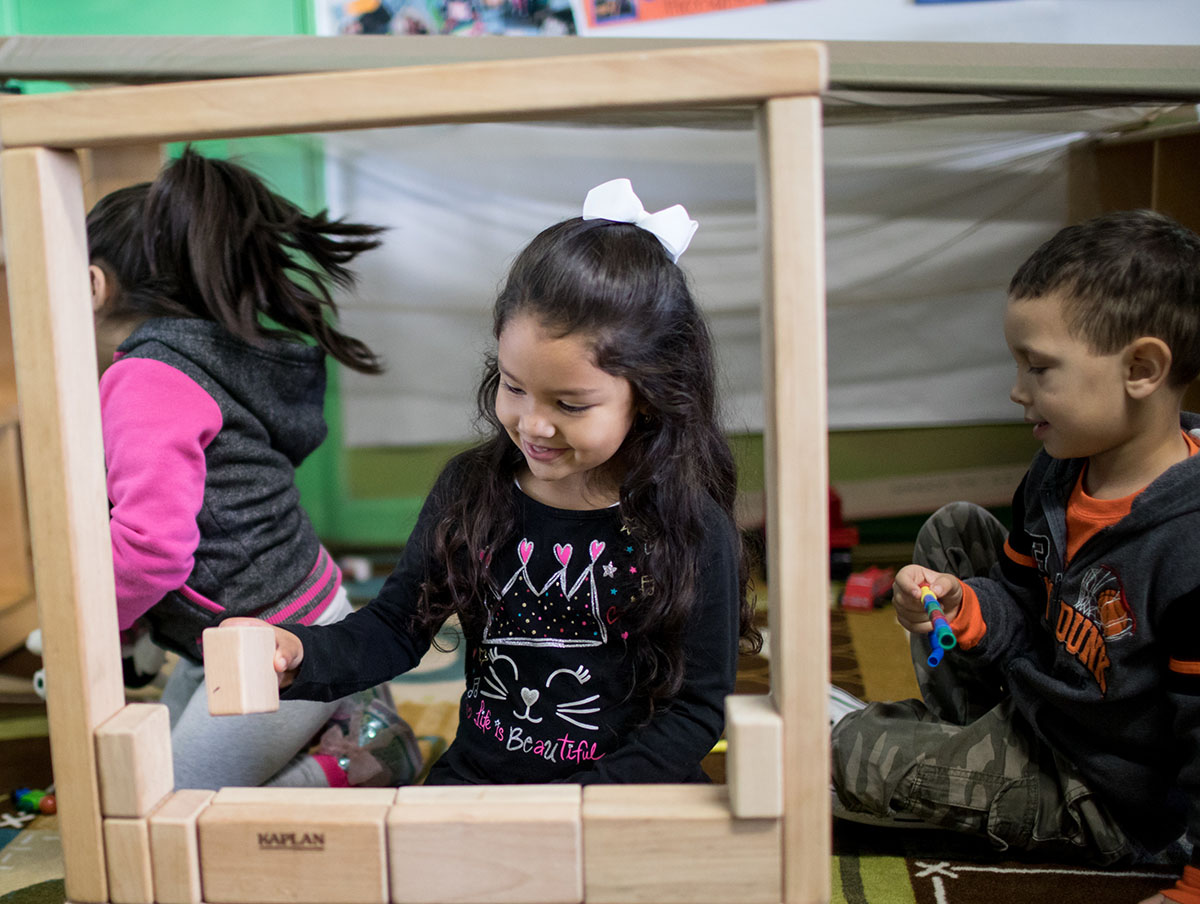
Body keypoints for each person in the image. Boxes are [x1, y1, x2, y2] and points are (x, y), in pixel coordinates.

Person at [227, 177, 761, 784]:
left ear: (649, 397)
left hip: (621, 799)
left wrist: (579, 810)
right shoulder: (471, 489)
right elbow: (396, 627)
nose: (533, 424)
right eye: (514, 386)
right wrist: (300, 652)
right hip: (481, 783)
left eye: (571, 404)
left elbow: (694, 712)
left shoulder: (691, 526)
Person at [830, 209, 1200, 904]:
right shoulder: (1060, 470)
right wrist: (961, 607)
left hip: (1101, 791)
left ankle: (957, 759)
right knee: (954, 531)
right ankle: (961, 740)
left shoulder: (1188, 543)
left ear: (1143, 369)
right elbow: (1020, 602)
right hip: (1042, 704)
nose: (1017, 389)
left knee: (834, 756)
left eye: (1039, 368)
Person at [88, 148, 420, 790]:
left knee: (172, 804)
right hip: (273, 616)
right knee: (148, 770)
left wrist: (90, 614)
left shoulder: (146, 379)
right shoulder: (210, 352)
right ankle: (348, 713)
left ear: (93, 284)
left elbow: (151, 549)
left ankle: (362, 760)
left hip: (273, 643)